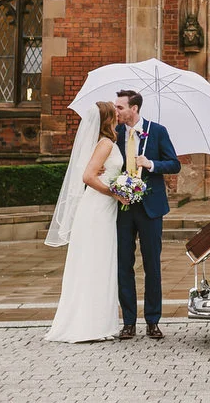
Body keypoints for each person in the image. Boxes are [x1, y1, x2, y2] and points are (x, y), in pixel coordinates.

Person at [44, 101, 126, 343]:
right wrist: (115, 192)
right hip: (97, 210)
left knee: (98, 263)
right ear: (108, 119)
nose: (119, 114)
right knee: (95, 263)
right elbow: (88, 176)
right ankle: (88, 326)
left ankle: (97, 323)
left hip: (103, 209)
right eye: (115, 112)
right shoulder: (105, 144)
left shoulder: (104, 143)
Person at [113, 89, 180, 340]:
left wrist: (150, 164)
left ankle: (153, 320)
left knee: (152, 266)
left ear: (135, 108)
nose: (116, 111)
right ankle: (128, 321)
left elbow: (174, 163)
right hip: (123, 208)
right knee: (123, 265)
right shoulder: (114, 133)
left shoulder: (158, 131)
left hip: (151, 208)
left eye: (120, 107)